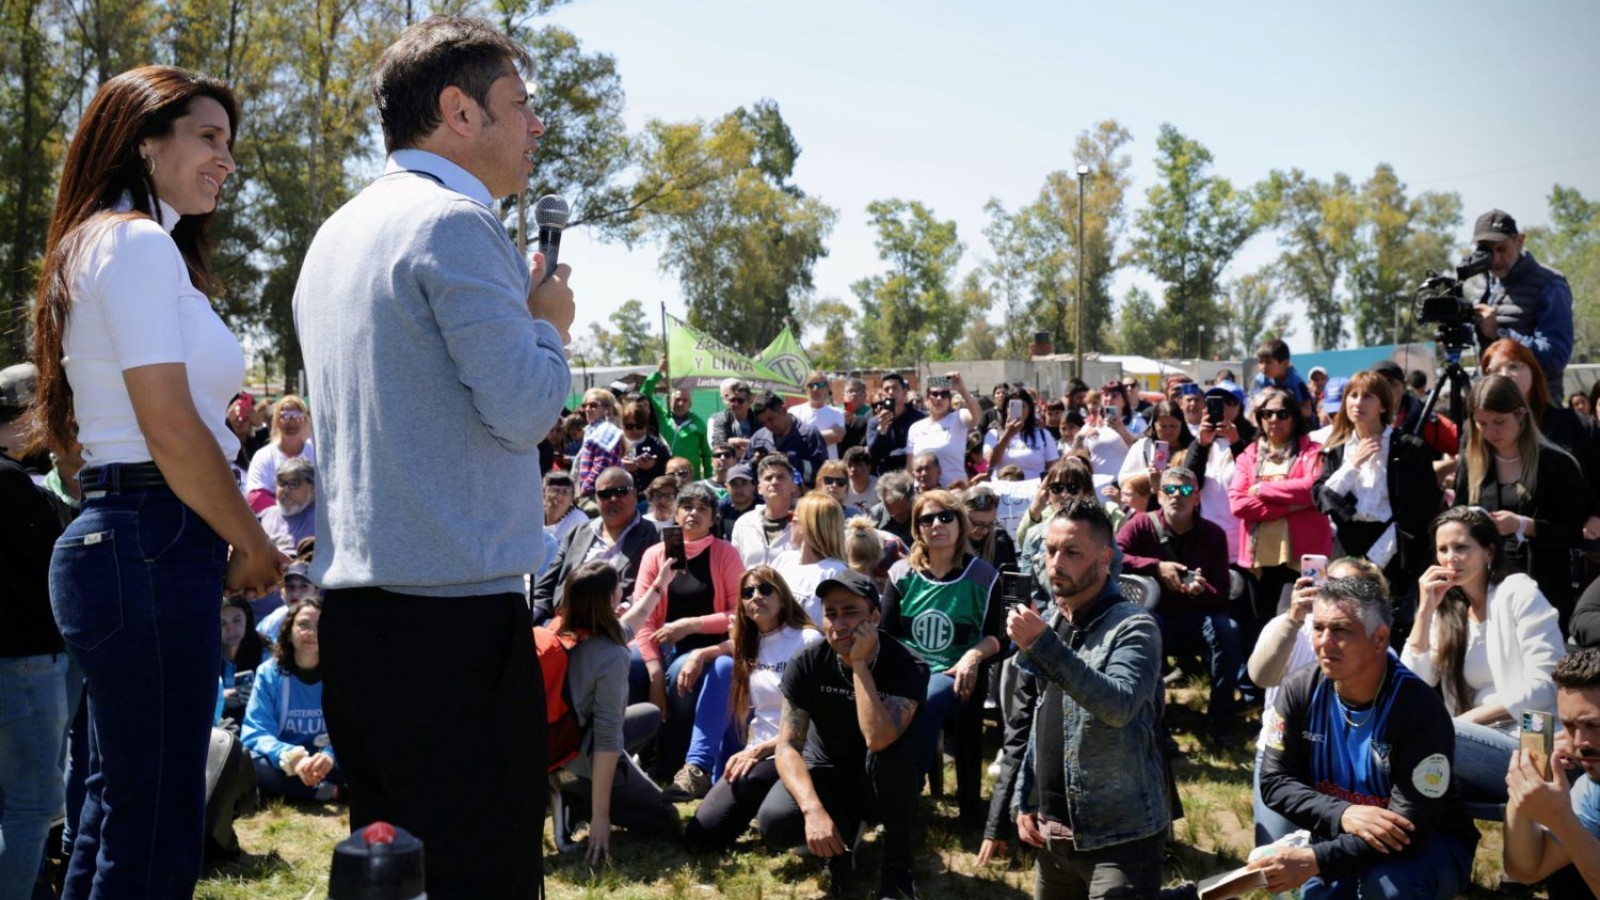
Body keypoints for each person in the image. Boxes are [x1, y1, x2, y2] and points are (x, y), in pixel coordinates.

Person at [291, 16, 574, 897]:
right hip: (452, 631)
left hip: (359, 622)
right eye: (519, 104)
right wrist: (549, 327)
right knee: (480, 875)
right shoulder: (455, 223)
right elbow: (525, 409)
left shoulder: (335, 235)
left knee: (394, 878)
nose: (536, 125)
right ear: (458, 111)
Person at [28, 65, 288, 898]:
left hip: (131, 535)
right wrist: (249, 541)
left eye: (229, 142)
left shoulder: (111, 244)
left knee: (119, 810)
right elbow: (170, 427)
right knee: (152, 829)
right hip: (149, 534)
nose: (227, 160)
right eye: (208, 137)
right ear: (144, 141)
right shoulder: (133, 243)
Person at [1252, 577, 1479, 899]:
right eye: (1318, 628)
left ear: (1379, 638)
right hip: (1340, 835)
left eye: (1341, 630)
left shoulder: (1418, 708)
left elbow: (1410, 826)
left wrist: (1318, 860)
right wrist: (1342, 813)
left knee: (1386, 889)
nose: (1325, 642)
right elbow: (1275, 781)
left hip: (1427, 844)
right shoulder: (1299, 690)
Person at [1006, 499, 1168, 899]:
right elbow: (1043, 721)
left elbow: (1118, 706)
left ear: (1104, 558)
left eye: (1072, 552)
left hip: (1120, 840)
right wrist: (1026, 798)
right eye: (1050, 550)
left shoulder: (1134, 626)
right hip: (1053, 836)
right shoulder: (1056, 619)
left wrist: (1043, 645)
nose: (1055, 563)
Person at [757, 570, 928, 900]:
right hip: (827, 774)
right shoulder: (807, 662)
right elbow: (788, 745)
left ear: (875, 617)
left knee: (888, 760)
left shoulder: (907, 665)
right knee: (774, 824)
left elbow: (878, 738)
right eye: (830, 613)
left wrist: (859, 664)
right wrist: (812, 810)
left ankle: (898, 870)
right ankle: (839, 847)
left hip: (883, 779)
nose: (838, 624)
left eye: (850, 612)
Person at [1401, 506, 1566, 803]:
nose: (1451, 558)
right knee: (1407, 756)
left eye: (1461, 547)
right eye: (1443, 549)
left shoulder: (1518, 592)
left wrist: (1467, 721)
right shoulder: (1448, 611)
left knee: (1427, 740)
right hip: (1468, 738)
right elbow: (1412, 685)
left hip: (1531, 737)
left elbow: (1546, 682)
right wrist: (1425, 611)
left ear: (1489, 551)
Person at [1247, 556, 1389, 844]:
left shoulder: (1378, 648)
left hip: (1347, 765)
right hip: (1285, 755)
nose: (1336, 594)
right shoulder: (1291, 628)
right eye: (1331, 583)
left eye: (1350, 588)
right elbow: (1262, 676)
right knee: (1274, 855)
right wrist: (1293, 620)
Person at [881, 490, 1003, 820]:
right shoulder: (901, 573)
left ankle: (904, 787)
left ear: (960, 524)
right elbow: (886, 633)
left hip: (953, 674)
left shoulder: (984, 576)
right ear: (917, 529)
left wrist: (972, 657)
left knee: (925, 699)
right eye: (927, 519)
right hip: (906, 670)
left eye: (946, 517)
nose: (937, 524)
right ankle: (880, 786)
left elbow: (998, 636)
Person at [547, 561, 679, 861]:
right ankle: (579, 799)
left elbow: (632, 623)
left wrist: (660, 583)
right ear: (610, 598)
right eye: (618, 585)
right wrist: (601, 816)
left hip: (556, 745)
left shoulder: (564, 629)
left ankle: (573, 789)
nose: (623, 589)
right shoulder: (612, 655)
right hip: (583, 755)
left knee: (647, 714)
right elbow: (607, 737)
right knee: (667, 819)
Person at [684, 567, 823, 850]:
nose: (756, 596)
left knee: (772, 823)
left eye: (765, 589)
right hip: (758, 752)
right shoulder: (750, 644)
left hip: (796, 750)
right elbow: (728, 647)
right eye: (748, 593)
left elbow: (818, 718)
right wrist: (699, 654)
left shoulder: (808, 641)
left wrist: (759, 751)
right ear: (743, 608)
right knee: (700, 836)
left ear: (782, 597)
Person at [0, 373, 71, 899]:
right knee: (31, 806)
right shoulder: (12, 486)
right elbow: (62, 556)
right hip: (23, 662)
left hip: (17, 661)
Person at [1456, 374, 1591, 631]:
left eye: (1499, 422)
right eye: (1482, 423)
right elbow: (1458, 516)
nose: (1491, 432)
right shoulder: (1472, 463)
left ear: (1520, 414)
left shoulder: (1556, 463)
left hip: (1544, 589)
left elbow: (1572, 533)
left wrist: (1523, 525)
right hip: (1488, 589)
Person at [1117, 466, 1239, 744]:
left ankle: (1220, 724)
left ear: (1197, 497)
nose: (1177, 496)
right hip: (1155, 614)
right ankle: (1154, 725)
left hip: (1197, 616)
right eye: (1170, 489)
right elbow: (1115, 557)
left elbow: (1222, 591)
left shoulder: (1213, 534)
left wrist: (1199, 589)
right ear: (1159, 495)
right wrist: (1156, 567)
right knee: (1148, 629)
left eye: (1185, 490)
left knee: (1229, 631)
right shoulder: (1141, 524)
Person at [629, 481, 742, 775]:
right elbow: (642, 615)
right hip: (656, 641)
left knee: (682, 673)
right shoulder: (656, 554)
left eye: (702, 509)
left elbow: (739, 614)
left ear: (713, 518)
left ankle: (671, 756)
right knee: (628, 664)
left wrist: (691, 625)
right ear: (676, 514)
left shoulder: (725, 553)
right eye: (687, 507)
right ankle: (635, 750)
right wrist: (655, 673)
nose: (694, 513)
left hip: (704, 645)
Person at [1229, 385, 1331, 677]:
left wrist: (1263, 489)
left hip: (1304, 559)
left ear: (1294, 418)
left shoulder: (1312, 451)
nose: (1274, 419)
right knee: (1265, 630)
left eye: (1282, 413)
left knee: (1299, 625)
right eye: (1267, 414)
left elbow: (1313, 488)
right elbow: (1238, 503)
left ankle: (1302, 687)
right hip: (1259, 560)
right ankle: (1267, 691)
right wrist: (1289, 506)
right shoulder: (1249, 454)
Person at [1312, 370, 1441, 599]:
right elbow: (1323, 498)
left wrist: (1378, 557)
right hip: (1348, 549)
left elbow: (1423, 510)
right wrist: (1353, 464)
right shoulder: (1337, 449)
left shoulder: (1410, 448)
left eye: (1367, 396)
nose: (1357, 403)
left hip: (1396, 552)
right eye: (1353, 395)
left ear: (1383, 406)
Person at [1480, 338, 1600, 548]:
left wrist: (1597, 516)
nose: (1504, 375)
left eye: (1514, 366)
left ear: (1533, 370)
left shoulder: (1573, 423)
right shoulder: (1479, 431)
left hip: (1570, 548)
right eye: (1494, 370)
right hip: (1499, 554)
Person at [1504, 647, 1600, 898]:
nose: (1579, 742)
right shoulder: (1591, 787)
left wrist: (1562, 819)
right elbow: (1527, 870)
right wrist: (1525, 786)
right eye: (1569, 726)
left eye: (1593, 725)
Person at [242, 598, 344, 803]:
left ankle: (302, 790)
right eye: (303, 624)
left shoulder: (341, 673)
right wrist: (293, 759)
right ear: (288, 630)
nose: (311, 632)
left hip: (328, 762)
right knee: (248, 761)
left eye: (319, 626)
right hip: (285, 761)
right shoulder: (269, 673)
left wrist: (330, 755)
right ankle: (333, 792)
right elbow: (256, 732)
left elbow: (350, 729)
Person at [533, 467, 660, 625]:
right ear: (596, 498)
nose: (613, 499)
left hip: (615, 625)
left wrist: (627, 608)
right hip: (562, 621)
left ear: (634, 494)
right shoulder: (578, 532)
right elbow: (547, 584)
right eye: (605, 494)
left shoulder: (654, 535)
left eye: (621, 492)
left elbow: (657, 587)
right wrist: (535, 612)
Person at [1471, 208, 1575, 397]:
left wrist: (1500, 333)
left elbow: (1556, 356)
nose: (1495, 259)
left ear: (1519, 241)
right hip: (1492, 399)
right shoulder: (1481, 282)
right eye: (1485, 250)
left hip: (1536, 403)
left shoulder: (1550, 283)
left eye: (1501, 249)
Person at [771, 492, 850, 625]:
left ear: (807, 526)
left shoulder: (835, 573)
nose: (789, 524)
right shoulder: (784, 559)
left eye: (791, 517)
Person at [902, 371, 977, 489]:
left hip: (955, 491)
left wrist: (961, 389)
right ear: (927, 398)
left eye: (944, 395)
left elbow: (977, 417)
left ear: (949, 400)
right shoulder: (915, 428)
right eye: (935, 394)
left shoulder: (958, 417)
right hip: (924, 492)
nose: (939, 398)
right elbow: (909, 467)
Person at [639, 359, 712, 478]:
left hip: (690, 479)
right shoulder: (662, 416)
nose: (681, 403)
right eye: (677, 399)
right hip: (664, 475)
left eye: (685, 400)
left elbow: (707, 455)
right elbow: (644, 394)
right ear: (670, 401)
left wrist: (708, 480)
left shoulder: (698, 424)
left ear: (690, 404)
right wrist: (658, 372)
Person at [1117, 399, 1194, 510]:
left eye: (1173, 426)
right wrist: (1149, 476)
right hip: (1148, 505)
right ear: (1154, 426)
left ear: (1181, 425)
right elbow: (1123, 480)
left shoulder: (1192, 448)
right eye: (1163, 426)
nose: (1168, 431)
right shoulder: (1142, 446)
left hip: (1184, 505)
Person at [245, 394, 316, 513]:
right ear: (276, 421)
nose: (291, 421)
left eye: (297, 415)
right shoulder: (263, 456)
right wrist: (289, 509)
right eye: (284, 415)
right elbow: (255, 499)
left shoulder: (316, 456)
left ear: (305, 421)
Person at [730, 455, 801, 566]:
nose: (774, 482)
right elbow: (735, 567)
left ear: (793, 486)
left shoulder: (804, 525)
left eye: (781, 477)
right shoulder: (744, 524)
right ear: (759, 489)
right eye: (768, 478)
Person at [747, 390, 827, 485]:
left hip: (801, 493)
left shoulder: (809, 435)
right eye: (763, 423)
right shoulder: (759, 437)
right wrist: (754, 462)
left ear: (783, 410)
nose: (768, 425)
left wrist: (790, 461)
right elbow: (743, 471)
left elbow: (823, 473)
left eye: (770, 419)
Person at [984, 387, 1060, 480]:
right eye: (1012, 406)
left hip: (1033, 486)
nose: (1018, 410)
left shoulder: (1043, 435)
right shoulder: (994, 434)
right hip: (1003, 485)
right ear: (1005, 409)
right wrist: (1007, 435)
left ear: (1029, 409)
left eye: (1022, 406)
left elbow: (1053, 467)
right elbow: (991, 462)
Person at [218, 595, 266, 732]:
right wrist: (220, 700)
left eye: (237, 620)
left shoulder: (267, 652)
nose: (231, 630)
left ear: (247, 618)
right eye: (222, 623)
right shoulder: (204, 656)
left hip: (257, 726)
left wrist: (258, 695)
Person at [868, 372, 926, 475]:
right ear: (882, 395)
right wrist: (882, 430)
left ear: (905, 392)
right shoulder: (875, 422)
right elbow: (873, 454)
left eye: (895, 388)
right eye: (887, 389)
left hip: (914, 473)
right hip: (885, 475)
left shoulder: (920, 418)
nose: (891, 392)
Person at [573, 388, 624, 499]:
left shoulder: (606, 430)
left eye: (593, 405)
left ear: (606, 409)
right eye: (584, 406)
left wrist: (585, 490)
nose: (587, 409)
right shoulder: (594, 430)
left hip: (600, 494)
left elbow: (602, 464)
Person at [260, 456, 317, 555]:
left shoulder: (322, 520)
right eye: (281, 483)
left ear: (312, 488)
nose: (285, 490)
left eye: (294, 484)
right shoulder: (266, 516)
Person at [1251, 338, 1315, 420]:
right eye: (1261, 362)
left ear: (1285, 363)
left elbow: (1307, 411)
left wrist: (1286, 407)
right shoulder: (1260, 380)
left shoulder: (1296, 382)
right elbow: (1255, 404)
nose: (1263, 367)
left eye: (1268, 362)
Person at [790, 372, 846, 460]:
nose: (815, 389)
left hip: (829, 465)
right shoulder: (794, 412)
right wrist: (829, 435)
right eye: (811, 385)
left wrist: (805, 438)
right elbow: (791, 440)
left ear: (827, 388)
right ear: (806, 389)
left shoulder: (837, 413)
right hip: (805, 464)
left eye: (820, 385)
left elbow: (838, 436)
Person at [962, 485, 1018, 574]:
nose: (985, 531)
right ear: (962, 517)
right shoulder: (950, 542)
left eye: (991, 524)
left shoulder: (1000, 541)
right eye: (979, 524)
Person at [621, 396, 671, 495]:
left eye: (639, 426)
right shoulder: (616, 444)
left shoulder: (655, 443)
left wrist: (652, 466)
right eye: (629, 426)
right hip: (623, 494)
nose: (634, 430)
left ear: (645, 425)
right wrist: (620, 465)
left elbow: (669, 469)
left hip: (649, 495)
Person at [708, 378, 760, 459]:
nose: (736, 404)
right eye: (732, 400)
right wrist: (751, 448)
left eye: (740, 400)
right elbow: (719, 446)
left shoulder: (759, 419)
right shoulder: (720, 419)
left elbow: (764, 444)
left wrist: (737, 441)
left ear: (749, 401)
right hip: (729, 463)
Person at [871, 469, 917, 547]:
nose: (899, 519)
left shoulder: (922, 511)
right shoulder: (875, 515)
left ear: (911, 499)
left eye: (904, 513)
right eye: (893, 515)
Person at [543, 470, 588, 545]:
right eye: (555, 490)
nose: (559, 496)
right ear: (544, 493)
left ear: (572, 497)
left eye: (565, 492)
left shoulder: (579, 520)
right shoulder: (534, 514)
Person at [715, 462, 759, 538]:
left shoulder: (763, 508)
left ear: (753, 486)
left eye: (744, 483)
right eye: (733, 484)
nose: (739, 490)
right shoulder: (721, 507)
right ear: (726, 487)